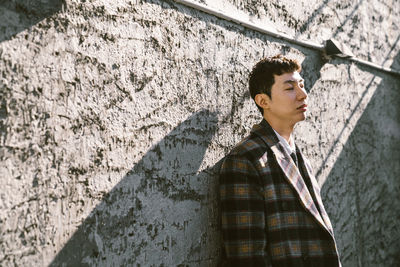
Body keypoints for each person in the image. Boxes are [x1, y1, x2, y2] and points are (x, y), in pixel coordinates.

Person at [219, 54, 341, 266]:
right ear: (263, 101)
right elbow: (247, 258)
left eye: (302, 85)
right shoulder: (246, 159)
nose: (303, 94)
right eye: (290, 88)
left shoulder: (299, 156)